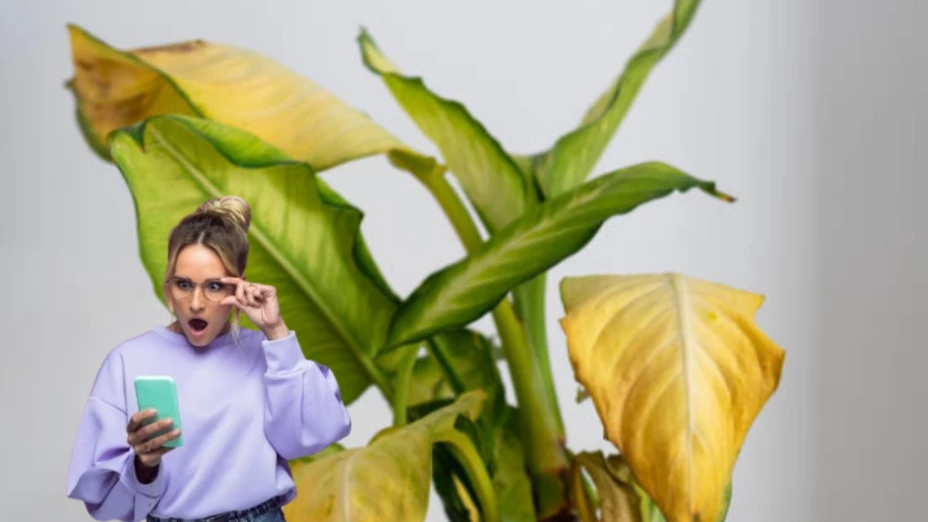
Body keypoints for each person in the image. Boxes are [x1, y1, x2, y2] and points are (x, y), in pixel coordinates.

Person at [65, 196, 352, 522]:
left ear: (239, 284)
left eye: (214, 286)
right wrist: (144, 465)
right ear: (168, 285)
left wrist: (277, 332)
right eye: (184, 284)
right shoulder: (127, 362)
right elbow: (107, 505)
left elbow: (313, 434)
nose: (196, 303)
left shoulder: (267, 352)